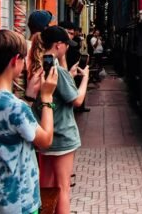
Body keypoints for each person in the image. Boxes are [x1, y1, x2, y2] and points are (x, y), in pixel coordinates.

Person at [0, 29, 58, 213]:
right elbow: (45, 141)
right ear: (14, 60)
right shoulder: (16, 107)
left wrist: (29, 96)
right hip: (17, 199)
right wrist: (47, 98)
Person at [36, 26, 89, 214]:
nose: (68, 48)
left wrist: (69, 74)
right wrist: (85, 79)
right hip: (62, 137)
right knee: (63, 188)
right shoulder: (57, 70)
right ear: (58, 45)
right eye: (66, 45)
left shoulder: (37, 65)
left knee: (46, 186)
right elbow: (77, 100)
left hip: (44, 135)